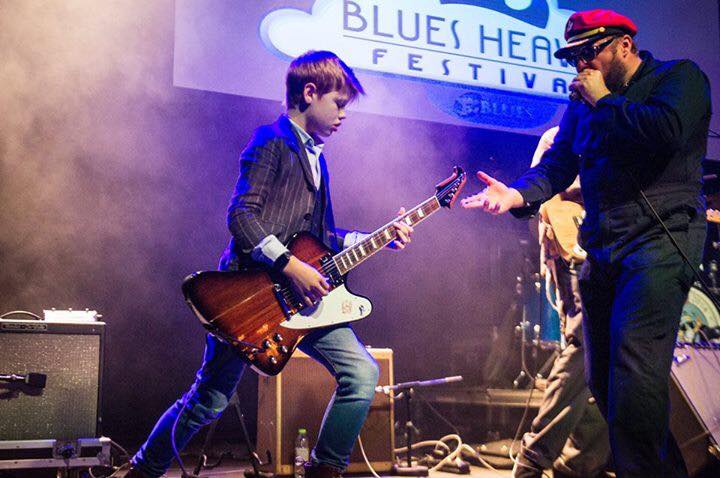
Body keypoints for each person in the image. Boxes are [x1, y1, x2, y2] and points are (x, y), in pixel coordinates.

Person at [113, 50, 413, 478]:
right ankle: (141, 471)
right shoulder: (270, 140)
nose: (345, 115)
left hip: (300, 302)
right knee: (208, 400)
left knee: (361, 373)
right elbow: (241, 217)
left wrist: (374, 239)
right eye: (339, 103)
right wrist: (290, 265)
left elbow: (321, 237)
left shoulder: (319, 158)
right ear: (310, 93)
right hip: (249, 298)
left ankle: (324, 471)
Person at [462, 9, 711, 477]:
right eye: (572, 56)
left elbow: (666, 133)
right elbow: (558, 165)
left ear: (623, 45)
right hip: (604, 248)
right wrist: (516, 193)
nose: (579, 65)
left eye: (587, 53)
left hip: (660, 241)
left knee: (636, 375)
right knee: (605, 383)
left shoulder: (679, 78)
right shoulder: (582, 104)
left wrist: (603, 101)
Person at [513, 127, 611, 478]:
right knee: (583, 345)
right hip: (574, 251)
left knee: (605, 360)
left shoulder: (622, 128)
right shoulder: (560, 136)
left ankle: (580, 463)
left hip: (611, 251)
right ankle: (533, 458)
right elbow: (543, 186)